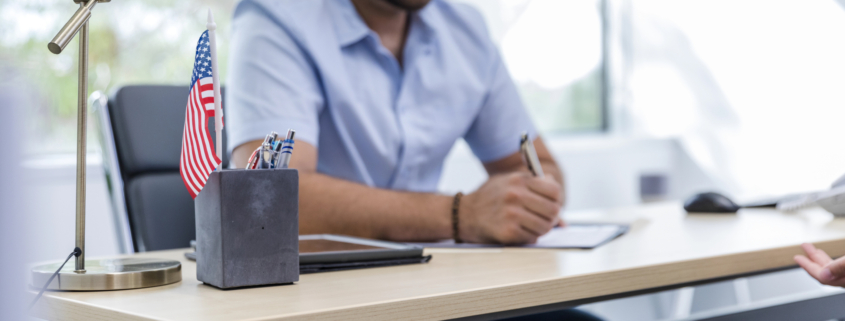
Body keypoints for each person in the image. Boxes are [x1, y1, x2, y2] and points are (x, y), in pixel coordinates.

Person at [226, 0, 566, 244]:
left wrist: (534, 201)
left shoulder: (466, 31)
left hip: (432, 281)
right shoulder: (276, 18)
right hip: (320, 291)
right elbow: (272, 198)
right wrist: (462, 214)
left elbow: (543, 165)